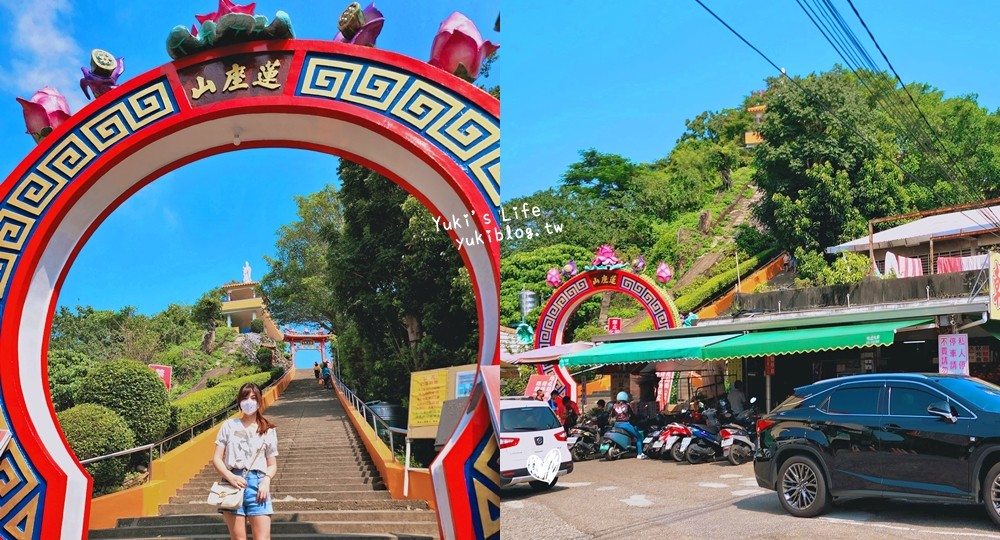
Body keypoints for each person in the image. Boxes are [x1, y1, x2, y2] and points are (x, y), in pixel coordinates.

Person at [212, 382, 278, 540]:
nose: (249, 401)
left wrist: (266, 481)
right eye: (245, 397)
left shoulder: (268, 430)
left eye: (253, 397)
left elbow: (272, 464)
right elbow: (216, 458)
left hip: (258, 487)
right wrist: (231, 476)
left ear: (259, 401)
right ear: (239, 401)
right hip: (232, 484)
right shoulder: (229, 426)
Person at [610, 391, 646, 459]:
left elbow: (612, 415)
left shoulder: (614, 406)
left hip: (616, 424)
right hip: (625, 424)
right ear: (625, 398)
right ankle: (640, 453)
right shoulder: (627, 405)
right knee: (638, 436)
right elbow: (632, 415)